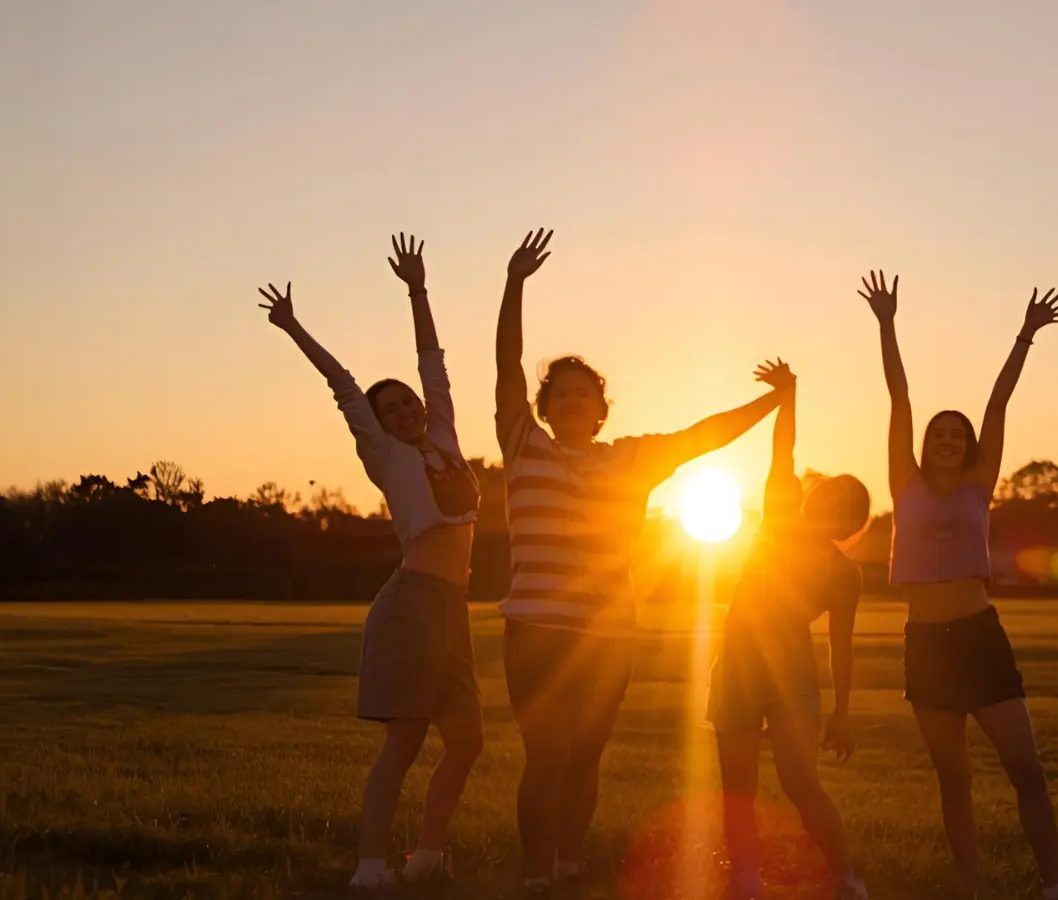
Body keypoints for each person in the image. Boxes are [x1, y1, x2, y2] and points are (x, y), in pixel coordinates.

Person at [495, 229, 792, 899]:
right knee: (545, 757)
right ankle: (537, 873)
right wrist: (514, 284)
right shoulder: (523, 446)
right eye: (560, 396)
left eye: (584, 396)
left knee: (587, 754)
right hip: (536, 630)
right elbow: (506, 364)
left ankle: (569, 862)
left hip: (607, 633)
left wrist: (772, 400)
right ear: (545, 410)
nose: (572, 404)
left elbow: (703, 436)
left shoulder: (628, 459)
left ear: (602, 412)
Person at [256, 233, 483, 892]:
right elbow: (343, 385)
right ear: (379, 425)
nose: (406, 411)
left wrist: (418, 289)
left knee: (466, 742)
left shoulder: (442, 435)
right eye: (392, 411)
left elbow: (433, 361)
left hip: (453, 610)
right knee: (406, 741)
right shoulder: (384, 456)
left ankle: (429, 854)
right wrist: (294, 326)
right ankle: (369, 867)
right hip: (412, 605)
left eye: (407, 402)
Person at [860, 270, 1058, 900]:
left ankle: (1054, 882)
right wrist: (887, 324)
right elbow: (898, 398)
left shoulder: (981, 484)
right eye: (938, 434)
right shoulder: (905, 483)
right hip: (926, 641)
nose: (948, 440)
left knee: (1026, 770)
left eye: (957, 435)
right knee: (953, 778)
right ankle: (972, 887)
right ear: (924, 446)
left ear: (969, 447)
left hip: (980, 635)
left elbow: (998, 403)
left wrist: (1025, 336)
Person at [706, 359, 873, 900]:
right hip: (737, 665)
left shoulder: (844, 572)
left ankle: (846, 878)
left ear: (851, 524)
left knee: (800, 783)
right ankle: (746, 882)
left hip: (793, 676)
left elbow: (841, 649)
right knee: (739, 789)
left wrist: (843, 713)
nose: (831, 508)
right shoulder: (778, 516)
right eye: (828, 497)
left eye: (846, 508)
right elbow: (786, 450)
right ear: (811, 498)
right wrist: (790, 393)